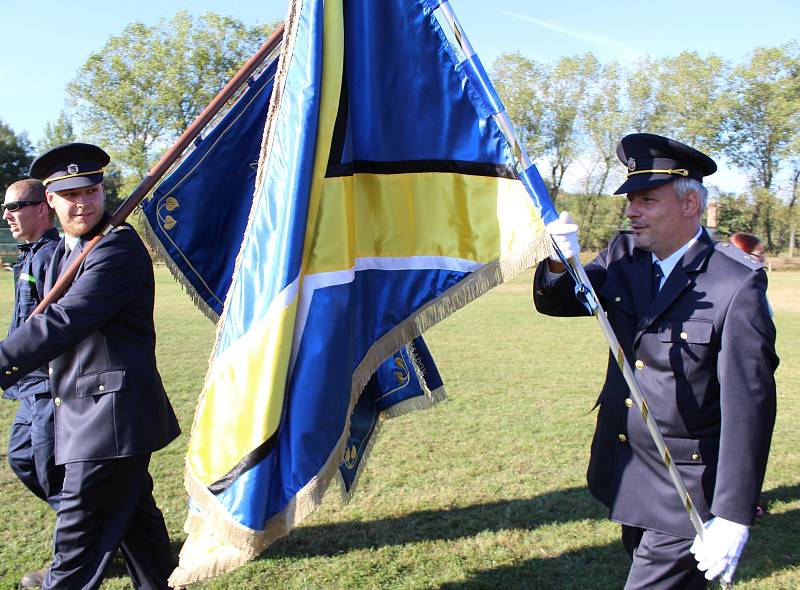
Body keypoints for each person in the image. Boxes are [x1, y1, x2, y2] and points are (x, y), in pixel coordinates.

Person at [533, 133, 778, 589]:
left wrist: (733, 513)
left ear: (689, 205)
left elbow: (750, 407)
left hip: (686, 488)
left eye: (647, 199)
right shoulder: (625, 257)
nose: (632, 210)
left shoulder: (734, 284)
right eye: (631, 199)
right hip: (628, 471)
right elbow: (563, 302)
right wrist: (556, 261)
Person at [0, 143, 181, 589]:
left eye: (91, 191)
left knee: (75, 556)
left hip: (108, 423)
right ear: (51, 201)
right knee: (147, 547)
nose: (83, 203)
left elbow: (65, 321)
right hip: (88, 418)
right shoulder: (64, 252)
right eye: (71, 195)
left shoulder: (117, 249)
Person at [2, 179, 64, 588]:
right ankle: (110, 532)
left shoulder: (53, 257)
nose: (6, 215)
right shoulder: (30, 257)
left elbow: (53, 327)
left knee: (55, 478)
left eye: (14, 206)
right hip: (29, 388)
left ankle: (78, 554)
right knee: (23, 459)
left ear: (43, 208)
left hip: (50, 388)